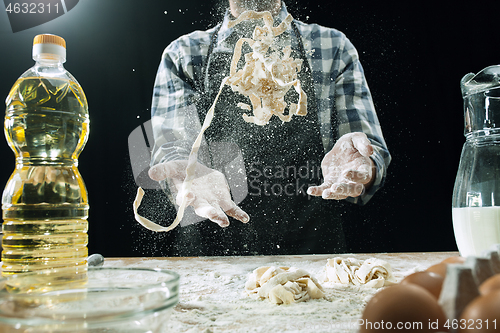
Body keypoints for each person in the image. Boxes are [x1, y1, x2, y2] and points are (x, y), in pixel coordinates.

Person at [145, 0, 391, 256]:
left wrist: (361, 164)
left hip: (315, 252)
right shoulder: (184, 54)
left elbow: (367, 152)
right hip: (213, 256)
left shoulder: (332, 46)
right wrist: (186, 172)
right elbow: (173, 146)